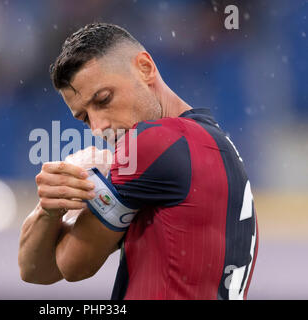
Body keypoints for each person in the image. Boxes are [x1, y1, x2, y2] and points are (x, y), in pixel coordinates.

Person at [18, 23, 258, 300]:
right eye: (85, 118)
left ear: (145, 68)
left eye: (104, 99)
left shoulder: (151, 144)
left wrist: (82, 186)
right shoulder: (216, 147)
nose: (99, 127)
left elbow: (71, 266)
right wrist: (50, 208)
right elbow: (37, 271)